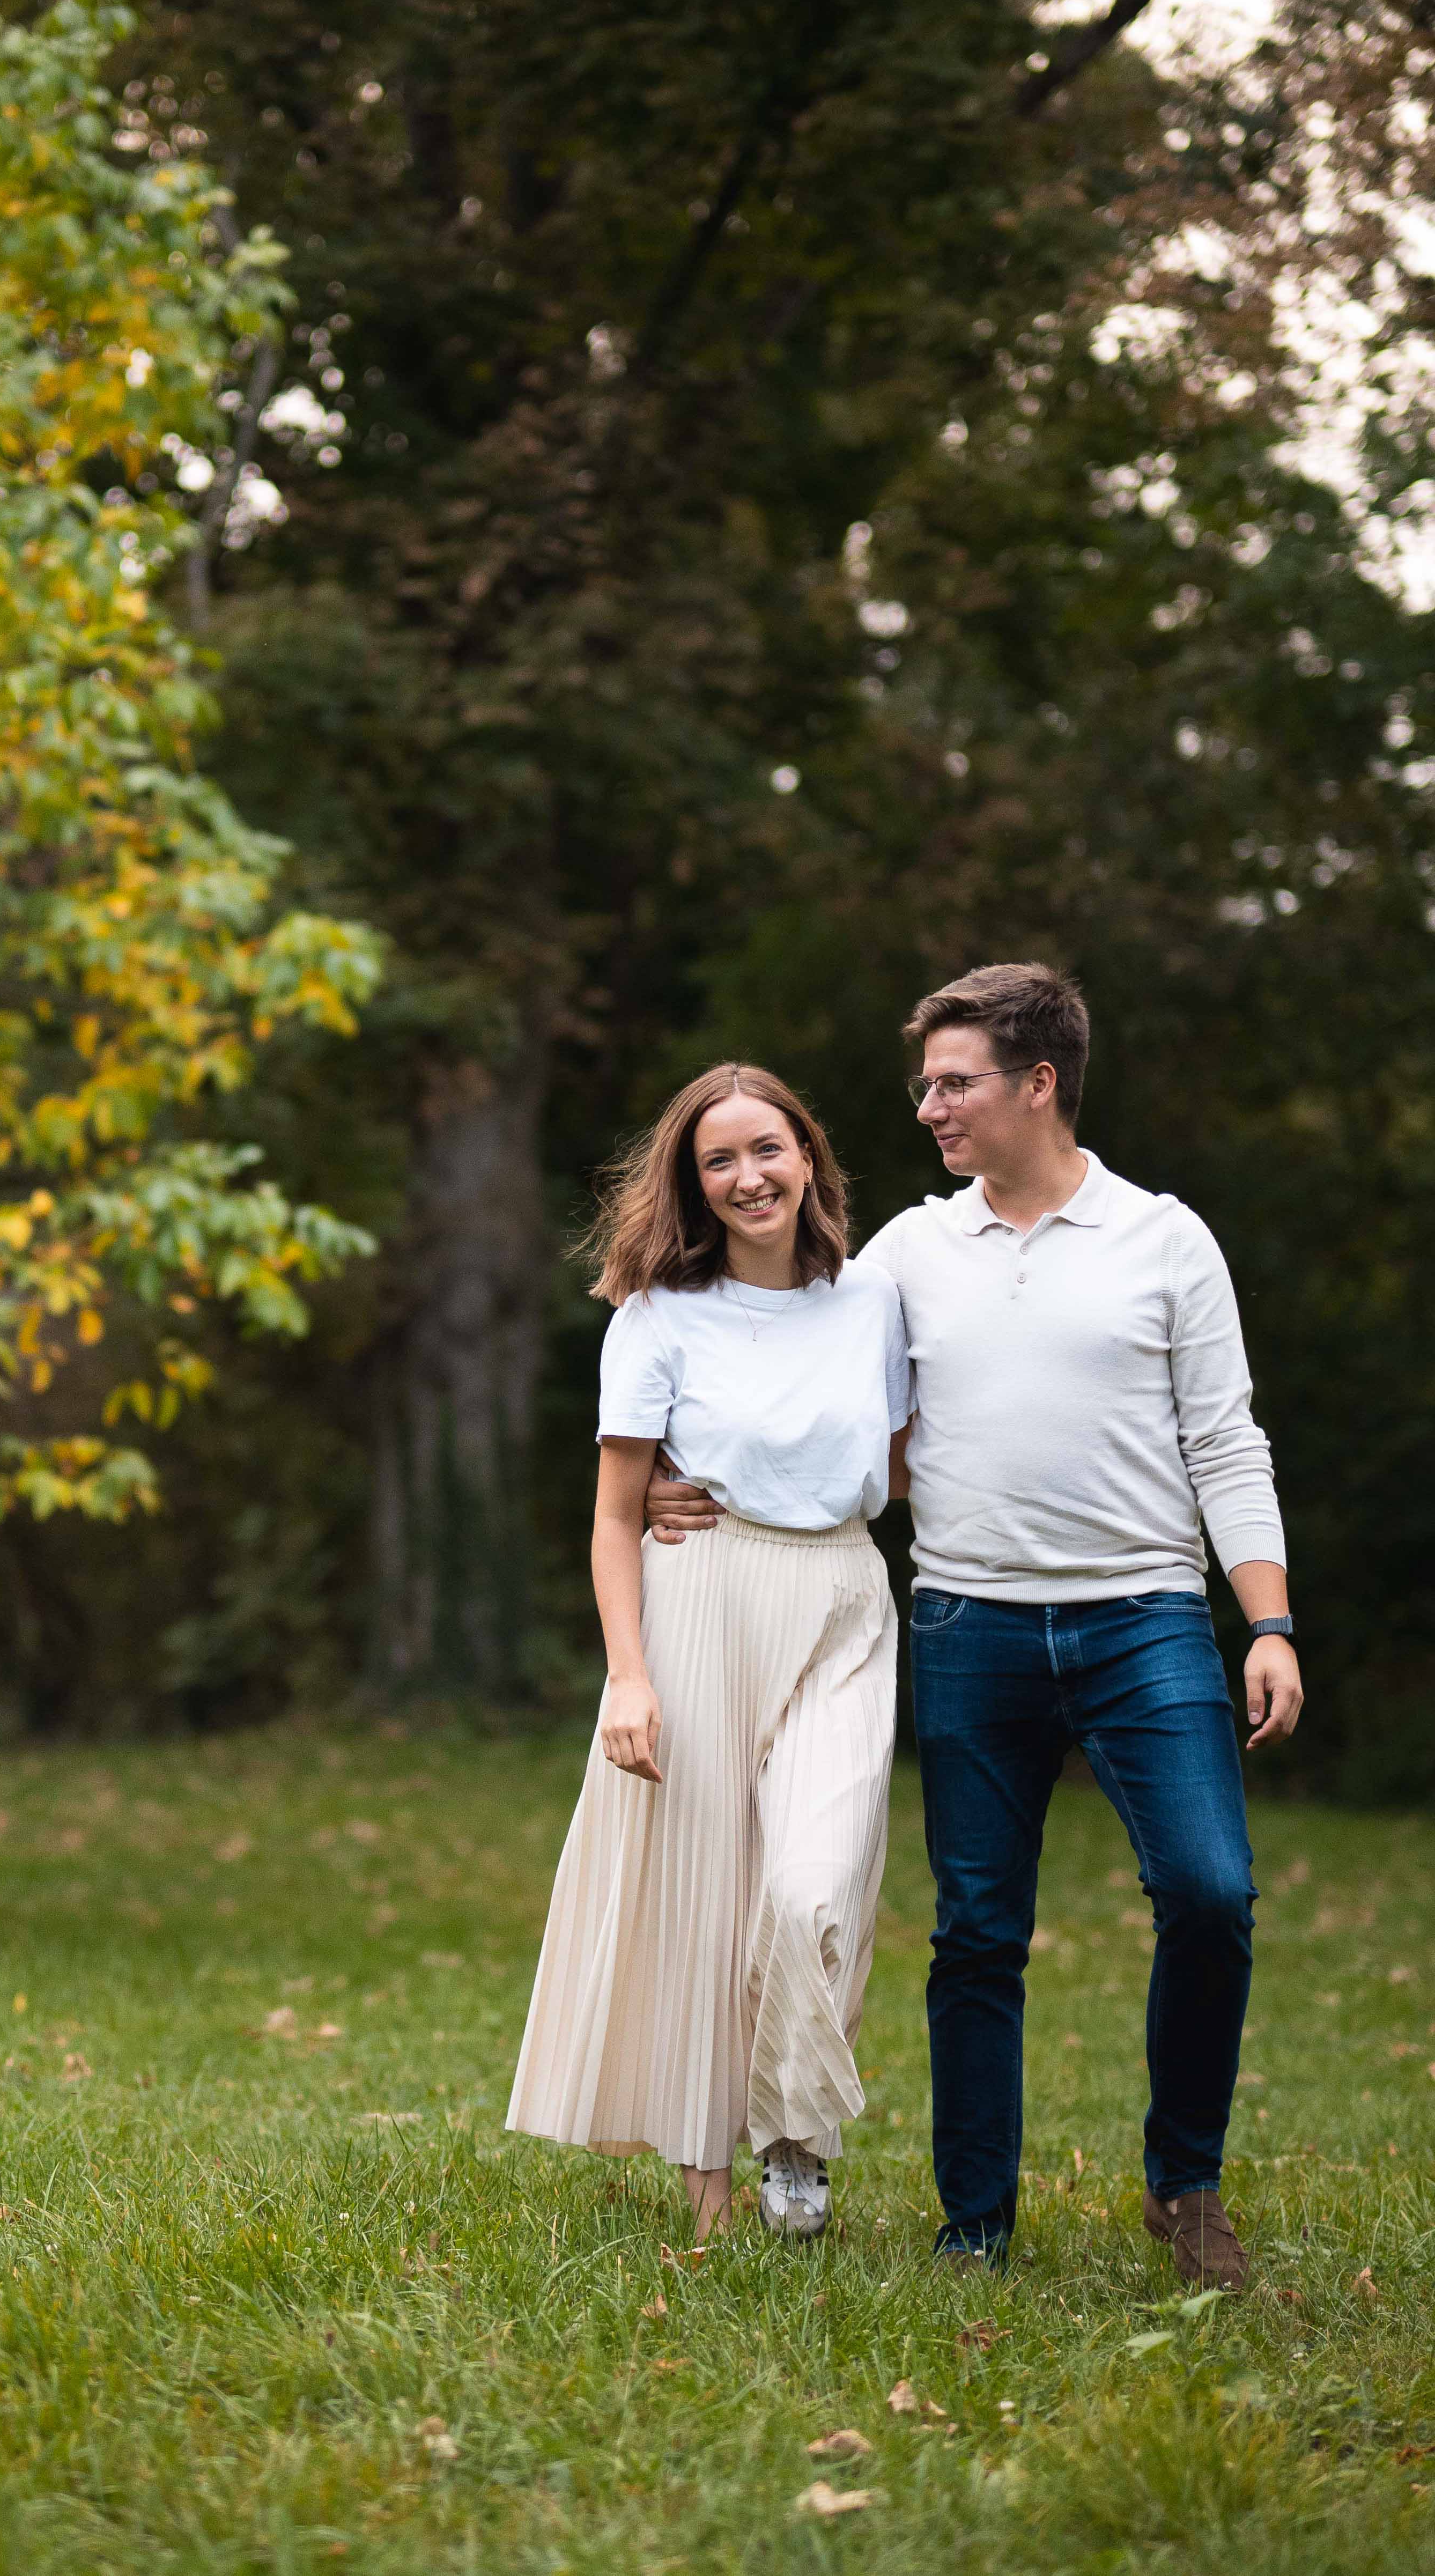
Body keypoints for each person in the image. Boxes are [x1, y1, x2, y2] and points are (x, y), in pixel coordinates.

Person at [648, 964, 1302, 2289]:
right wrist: (678, 1475)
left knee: (1209, 1891)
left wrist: (1269, 1621)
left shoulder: (1164, 1240)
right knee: (977, 1934)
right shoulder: (904, 1255)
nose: (929, 1107)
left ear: (1038, 1084)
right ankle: (975, 2226)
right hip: (966, 1622)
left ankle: (1183, 2184)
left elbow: (1227, 1442)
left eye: (954, 1083)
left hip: (1146, 1619)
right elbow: (813, 1395)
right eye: (926, 1083)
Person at [507, 1062, 909, 2243]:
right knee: (699, 1895)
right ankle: (712, 2199)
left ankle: (793, 2127)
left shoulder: (872, 1300)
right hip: (701, 1599)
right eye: (718, 1160)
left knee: (812, 1883)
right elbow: (611, 1515)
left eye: (767, 1149)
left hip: (841, 1597)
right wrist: (628, 1678)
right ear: (693, 1183)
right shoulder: (657, 1316)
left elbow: (898, 1465)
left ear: (808, 1157)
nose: (748, 1177)